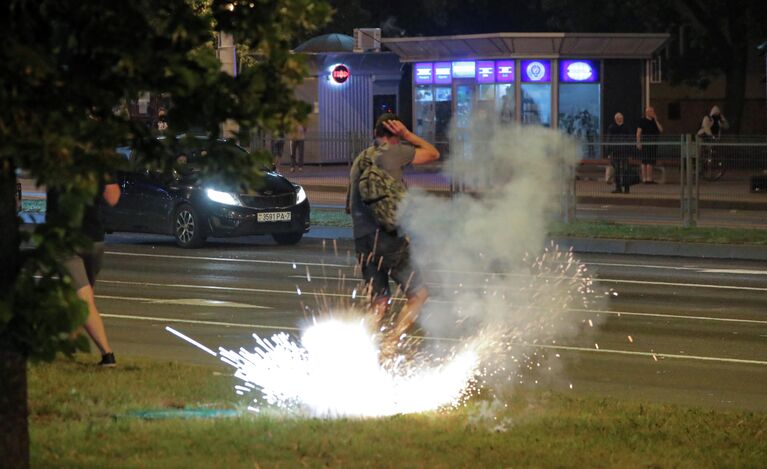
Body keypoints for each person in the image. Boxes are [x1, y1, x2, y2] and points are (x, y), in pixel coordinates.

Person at [346, 113, 439, 340]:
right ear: (395, 134)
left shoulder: (361, 159)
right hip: (388, 238)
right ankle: (392, 340)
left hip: (362, 239)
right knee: (419, 294)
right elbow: (433, 153)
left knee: (379, 302)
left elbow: (350, 205)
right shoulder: (395, 152)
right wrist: (407, 134)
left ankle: (363, 345)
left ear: (375, 134)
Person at [47, 178, 121, 366]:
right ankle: (67, 348)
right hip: (94, 236)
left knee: (83, 300)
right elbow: (112, 197)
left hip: (65, 238)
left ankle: (107, 355)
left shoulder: (54, 155)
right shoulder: (98, 159)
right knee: (83, 297)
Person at [607, 112, 633, 194]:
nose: (619, 119)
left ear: (622, 118)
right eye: (618, 118)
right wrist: (609, 152)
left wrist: (630, 152)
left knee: (626, 170)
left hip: (624, 151)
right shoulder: (612, 127)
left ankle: (626, 188)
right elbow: (609, 139)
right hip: (616, 151)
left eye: (620, 117)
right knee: (617, 170)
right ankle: (618, 188)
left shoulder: (626, 127)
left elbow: (630, 139)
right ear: (615, 119)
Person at [636, 106, 663, 184]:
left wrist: (656, 120)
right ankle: (645, 178)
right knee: (645, 161)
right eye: (650, 111)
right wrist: (638, 142)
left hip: (653, 143)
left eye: (653, 111)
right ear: (647, 112)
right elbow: (638, 132)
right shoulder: (642, 121)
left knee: (651, 161)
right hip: (646, 142)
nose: (652, 113)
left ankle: (649, 178)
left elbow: (661, 130)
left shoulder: (654, 122)